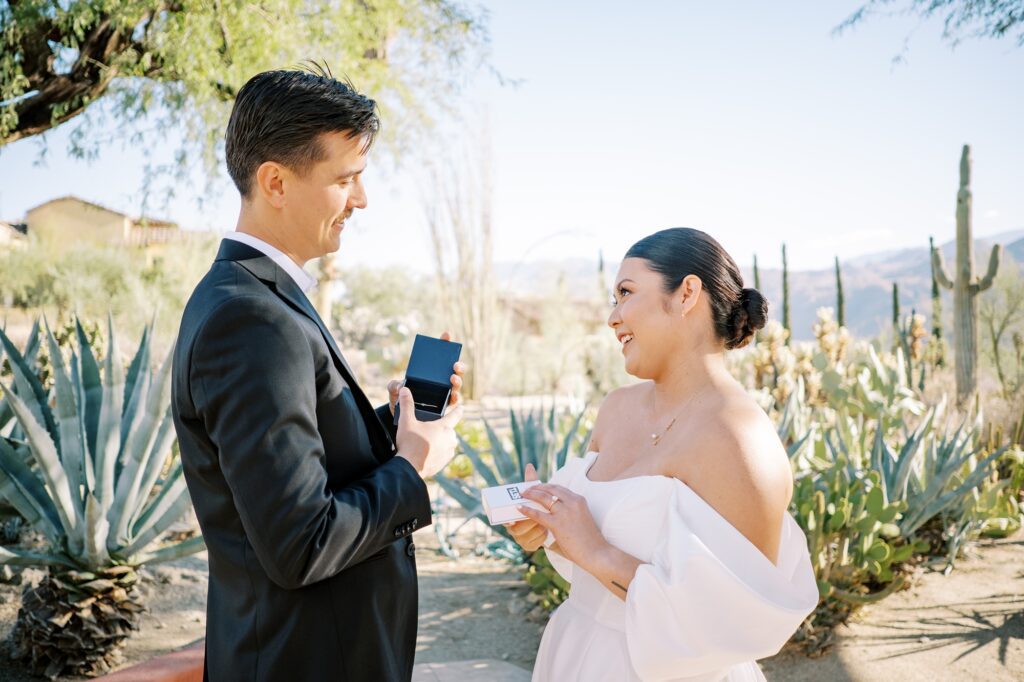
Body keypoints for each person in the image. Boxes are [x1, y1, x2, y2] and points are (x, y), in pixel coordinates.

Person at [170, 66, 465, 682]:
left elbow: (302, 460)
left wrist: (393, 425)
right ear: (275, 182)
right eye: (346, 179)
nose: (361, 199)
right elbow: (302, 542)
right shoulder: (249, 318)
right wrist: (412, 463)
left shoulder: (255, 299)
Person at [509, 228, 818, 681]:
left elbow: (734, 619)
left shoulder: (740, 440)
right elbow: (602, 538)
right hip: (574, 653)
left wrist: (595, 550)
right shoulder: (616, 409)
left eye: (626, 293)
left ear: (687, 293)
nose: (613, 317)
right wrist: (547, 527)